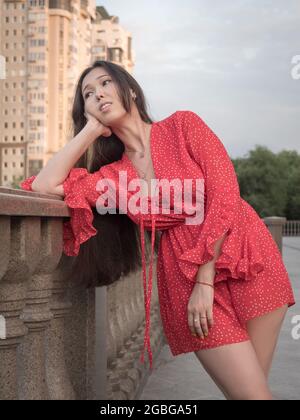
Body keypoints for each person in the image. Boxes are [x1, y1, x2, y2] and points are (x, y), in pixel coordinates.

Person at [20, 60, 296, 400]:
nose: (99, 94)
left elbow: (225, 193)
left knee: (251, 394)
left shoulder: (183, 126)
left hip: (246, 256)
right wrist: (91, 130)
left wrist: (205, 279)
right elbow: (45, 185)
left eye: (106, 83)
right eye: (88, 95)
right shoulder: (113, 178)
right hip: (183, 275)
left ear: (131, 90)